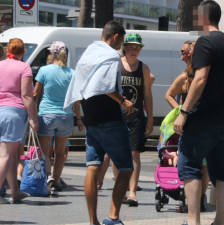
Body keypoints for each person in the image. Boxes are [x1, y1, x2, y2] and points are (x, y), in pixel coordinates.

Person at [173, 1, 224, 225]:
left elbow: (200, 78)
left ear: (203, 17)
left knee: (189, 164)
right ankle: (219, 221)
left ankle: (193, 221)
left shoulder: (205, 42)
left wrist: (183, 112)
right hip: (222, 120)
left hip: (201, 118)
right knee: (221, 169)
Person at [63, 21, 134, 225]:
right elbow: (107, 86)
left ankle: (93, 220)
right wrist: (124, 101)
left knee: (92, 167)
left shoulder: (89, 52)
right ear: (115, 37)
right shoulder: (111, 56)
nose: (121, 45)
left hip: (90, 116)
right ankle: (112, 217)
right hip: (110, 117)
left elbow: (80, 84)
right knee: (125, 167)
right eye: (121, 40)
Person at [33, 41, 84, 196]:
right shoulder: (72, 73)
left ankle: (48, 176)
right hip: (65, 116)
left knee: (44, 151)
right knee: (61, 153)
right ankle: (56, 179)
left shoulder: (43, 70)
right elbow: (76, 99)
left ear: (51, 54)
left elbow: (36, 94)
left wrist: (32, 114)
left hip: (47, 114)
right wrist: (79, 119)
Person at [0, 38, 38, 204]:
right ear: (23, 51)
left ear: (7, 51)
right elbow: (26, 95)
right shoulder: (24, 67)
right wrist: (33, 118)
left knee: (10, 155)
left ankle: (15, 192)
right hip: (13, 113)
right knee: (5, 154)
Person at [165, 40, 210, 211]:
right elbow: (168, 95)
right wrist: (180, 111)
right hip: (188, 125)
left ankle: (200, 198)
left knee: (203, 164)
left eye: (184, 51)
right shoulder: (184, 77)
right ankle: (192, 200)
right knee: (189, 164)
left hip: (204, 123)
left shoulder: (204, 73)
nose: (181, 55)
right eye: (181, 51)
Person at [119, 33, 153, 207]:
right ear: (124, 47)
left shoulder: (143, 68)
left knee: (134, 154)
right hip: (117, 116)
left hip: (137, 116)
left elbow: (147, 94)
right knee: (117, 154)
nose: (134, 50)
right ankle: (122, 189)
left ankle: (132, 192)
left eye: (137, 47)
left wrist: (150, 118)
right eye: (131, 47)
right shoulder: (117, 65)